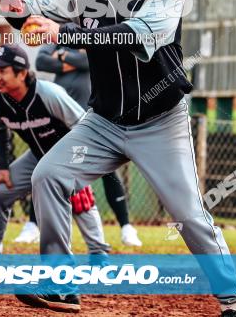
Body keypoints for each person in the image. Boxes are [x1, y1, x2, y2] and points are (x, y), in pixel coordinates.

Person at [0, 0, 236, 316]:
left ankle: (235, 304)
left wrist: (64, 30)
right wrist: (9, 3)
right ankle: (59, 283)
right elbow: (36, 18)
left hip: (160, 123)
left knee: (189, 215)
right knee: (48, 175)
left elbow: (139, 34)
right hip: (102, 122)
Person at [0, 43, 111, 264]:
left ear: (21, 73)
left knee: (79, 197)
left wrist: (78, 168)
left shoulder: (49, 93)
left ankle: (98, 254)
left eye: (3, 71)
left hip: (66, 155)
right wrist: (2, 168)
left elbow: (84, 127)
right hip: (37, 156)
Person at [12, 43, 141, 247]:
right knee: (45, 168)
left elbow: (90, 60)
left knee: (108, 172)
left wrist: (62, 58)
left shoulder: (93, 38)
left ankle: (126, 227)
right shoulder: (58, 39)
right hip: (58, 119)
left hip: (90, 118)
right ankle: (33, 226)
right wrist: (73, 57)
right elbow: (41, 61)